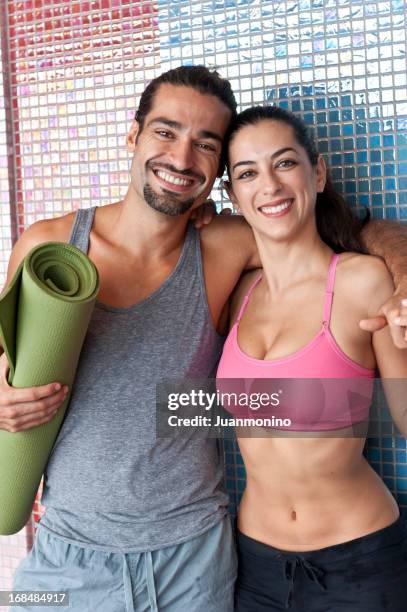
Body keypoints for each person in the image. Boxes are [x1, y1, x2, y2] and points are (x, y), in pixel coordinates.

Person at [0, 66, 406, 611]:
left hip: (197, 560)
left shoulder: (225, 249)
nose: (182, 158)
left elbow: (345, 235)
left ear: (217, 172)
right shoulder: (47, 247)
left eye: (205, 144)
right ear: (134, 135)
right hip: (69, 559)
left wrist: (404, 278)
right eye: (166, 132)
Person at [216, 105, 407, 611]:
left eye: (284, 163)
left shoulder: (363, 280)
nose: (270, 186)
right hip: (255, 565)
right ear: (233, 195)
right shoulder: (237, 292)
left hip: (359, 561)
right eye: (248, 173)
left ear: (317, 173)